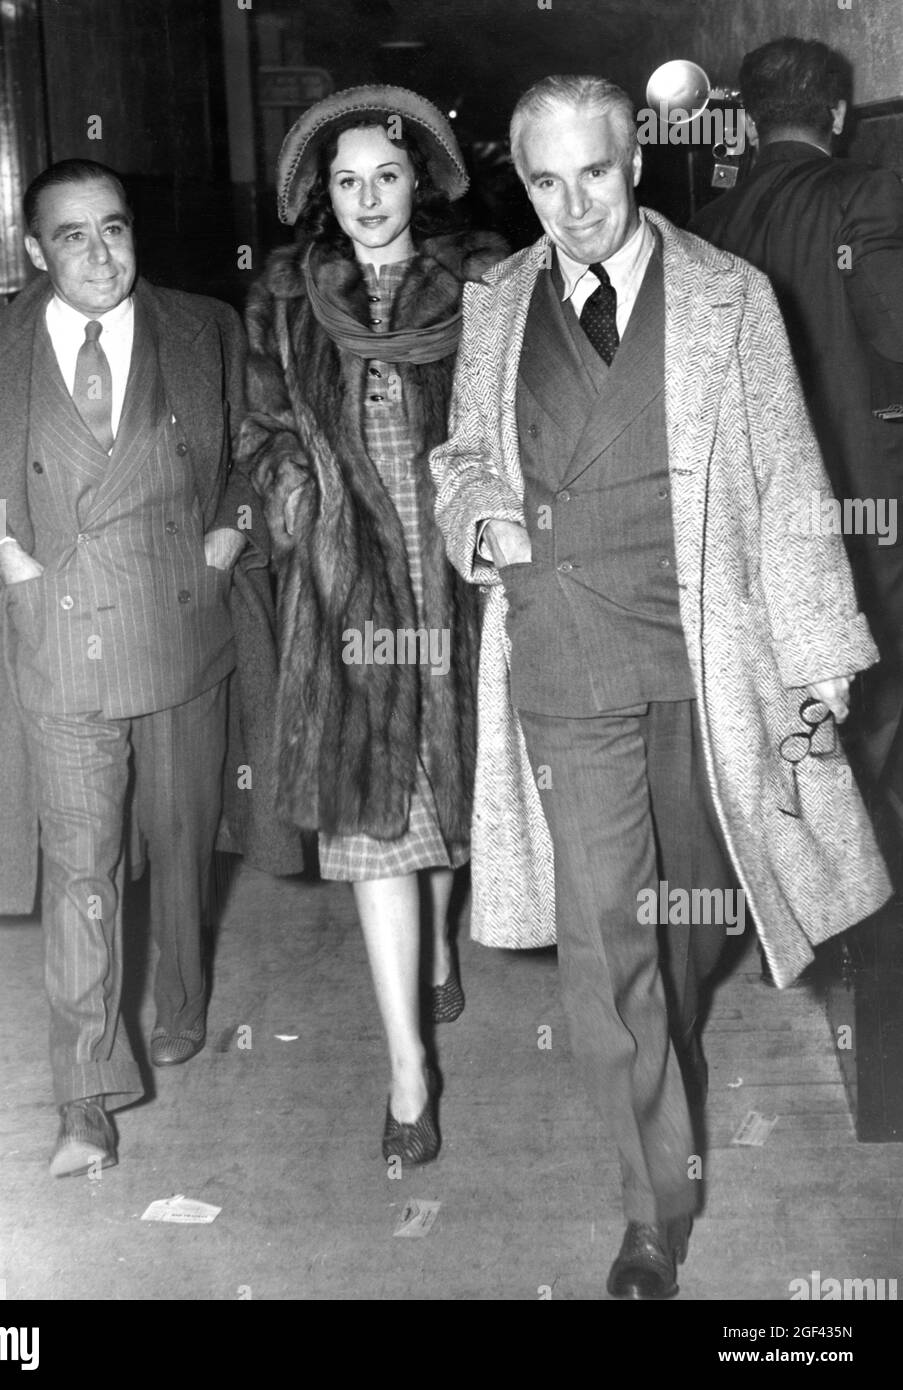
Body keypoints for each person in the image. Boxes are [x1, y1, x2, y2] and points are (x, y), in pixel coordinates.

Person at [429, 75, 890, 1297]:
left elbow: (791, 483)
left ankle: (671, 1048)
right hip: (564, 661)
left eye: (593, 172)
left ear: (634, 161)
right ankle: (651, 1208)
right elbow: (460, 453)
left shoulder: (731, 298)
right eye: (542, 180)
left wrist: (819, 661)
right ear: (517, 183)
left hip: (706, 660)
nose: (572, 206)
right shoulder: (494, 305)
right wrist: (476, 518)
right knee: (606, 942)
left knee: (701, 918)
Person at [0, 158, 256, 1177]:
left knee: (180, 832)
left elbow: (255, 453)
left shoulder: (205, 328)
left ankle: (184, 999)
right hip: (58, 640)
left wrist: (230, 533)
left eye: (113, 228)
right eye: (71, 235)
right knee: (83, 868)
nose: (99, 252)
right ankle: (84, 1100)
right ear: (35, 249)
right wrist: (4, 556)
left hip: (179, 627)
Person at [239, 86, 506, 1165]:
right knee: (373, 826)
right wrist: (300, 499)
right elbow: (259, 435)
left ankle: (441, 946)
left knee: (447, 795)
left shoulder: (486, 283)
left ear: (420, 178)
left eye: (385, 175)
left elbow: (516, 425)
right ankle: (407, 1077)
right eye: (344, 181)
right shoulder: (288, 298)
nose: (366, 199)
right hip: (348, 595)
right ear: (322, 195)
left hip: (460, 588)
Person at [690, 36, 903, 823]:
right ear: (839, 114)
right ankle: (866, 871)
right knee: (873, 680)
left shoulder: (706, 225)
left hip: (758, 506)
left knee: (800, 684)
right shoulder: (866, 191)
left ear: (747, 122)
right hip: (866, 493)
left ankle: (812, 856)